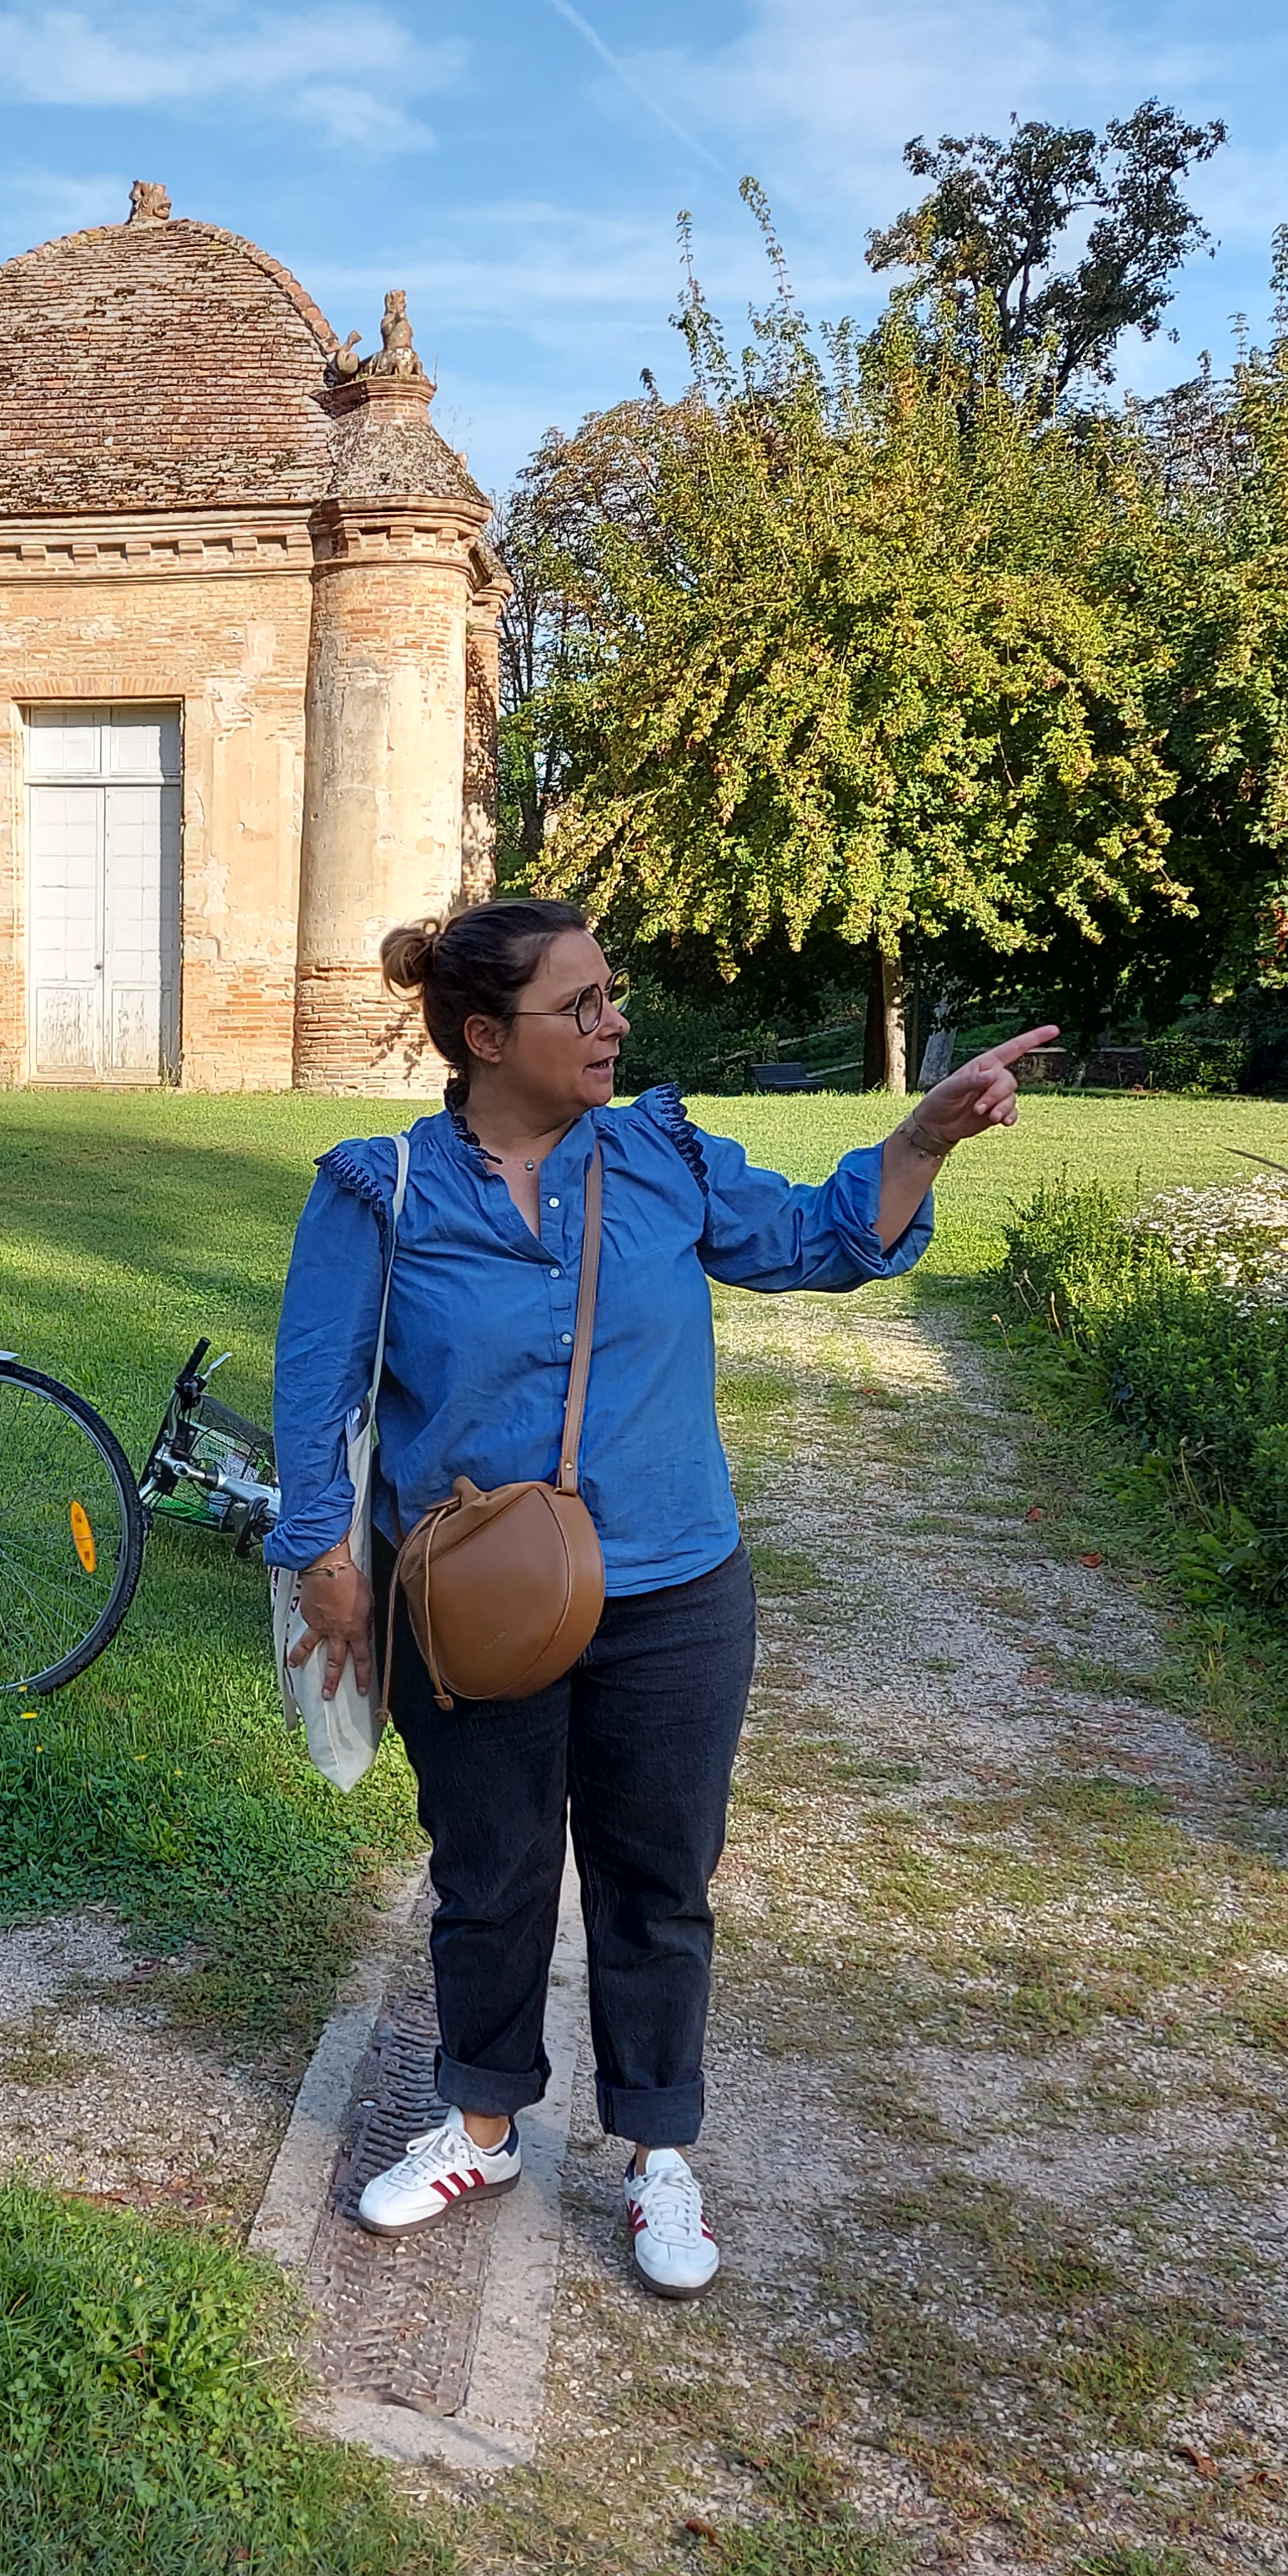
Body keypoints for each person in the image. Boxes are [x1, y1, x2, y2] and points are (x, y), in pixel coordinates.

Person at [270, 899, 1048, 2296]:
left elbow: (821, 1240)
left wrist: (920, 1139)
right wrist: (325, 1562)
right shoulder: (378, 1187)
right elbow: (313, 1378)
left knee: (656, 1880)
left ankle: (654, 2152)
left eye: (609, 996)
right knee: (488, 1869)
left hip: (674, 1589)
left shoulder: (658, 1151)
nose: (612, 1022)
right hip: (470, 1606)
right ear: (483, 1034)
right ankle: (482, 2119)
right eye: (581, 1005)